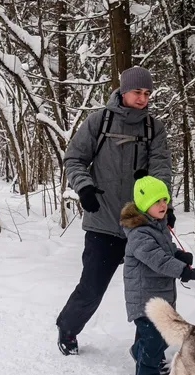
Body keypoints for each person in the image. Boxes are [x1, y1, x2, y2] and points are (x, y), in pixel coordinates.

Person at [56, 66, 174, 355]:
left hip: (142, 225)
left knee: (149, 291)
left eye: (147, 93)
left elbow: (161, 168)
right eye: (138, 92)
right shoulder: (99, 121)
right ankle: (68, 328)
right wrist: (84, 188)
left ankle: (145, 349)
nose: (143, 98)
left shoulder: (153, 128)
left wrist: (163, 204)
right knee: (92, 287)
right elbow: (74, 159)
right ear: (123, 91)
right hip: (103, 221)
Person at [121, 174, 195, 375]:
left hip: (160, 294)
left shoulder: (159, 227)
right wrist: (184, 271)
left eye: (165, 200)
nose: (163, 204)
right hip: (144, 296)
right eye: (157, 201)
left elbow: (166, 252)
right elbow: (157, 260)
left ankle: (142, 353)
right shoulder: (139, 234)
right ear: (144, 205)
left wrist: (179, 256)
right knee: (155, 336)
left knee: (162, 334)